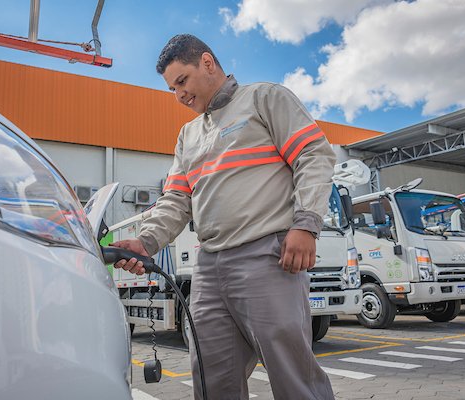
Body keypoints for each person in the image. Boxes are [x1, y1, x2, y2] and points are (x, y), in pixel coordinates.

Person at [112, 34, 336, 400]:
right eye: (172, 89)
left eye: (182, 81)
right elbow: (176, 200)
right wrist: (145, 241)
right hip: (210, 268)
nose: (179, 95)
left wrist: (305, 224)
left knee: (291, 373)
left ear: (207, 62)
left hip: (267, 256)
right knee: (212, 374)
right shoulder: (188, 136)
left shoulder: (264, 98)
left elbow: (314, 156)